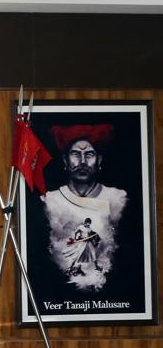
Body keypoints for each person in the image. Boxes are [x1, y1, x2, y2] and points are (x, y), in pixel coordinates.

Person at [41, 124, 126, 290]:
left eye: (89, 154)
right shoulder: (50, 201)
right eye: (75, 154)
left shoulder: (117, 199)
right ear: (65, 160)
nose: (82, 161)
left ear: (99, 160)